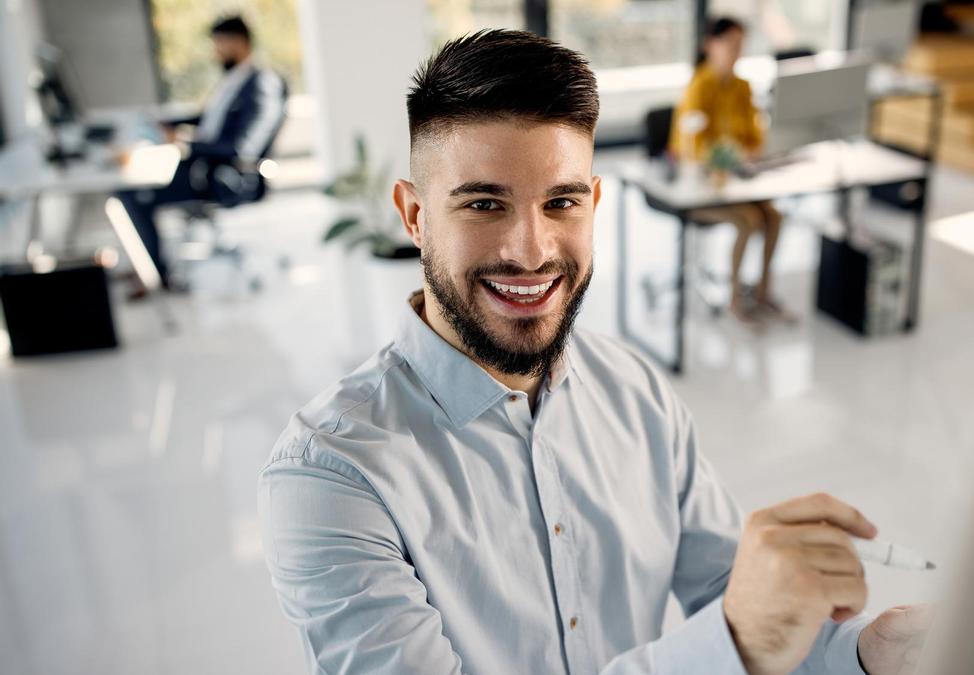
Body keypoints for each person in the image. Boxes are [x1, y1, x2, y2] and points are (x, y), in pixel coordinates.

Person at [258, 30, 928, 675]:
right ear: (414, 216)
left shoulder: (635, 387)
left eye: (562, 202)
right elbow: (739, 636)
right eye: (485, 203)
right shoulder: (331, 476)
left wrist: (865, 653)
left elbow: (736, 596)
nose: (531, 249)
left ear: (594, 204)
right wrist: (734, 643)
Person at [115, 15, 286, 297]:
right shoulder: (235, 79)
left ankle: (155, 273)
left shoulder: (261, 85)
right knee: (133, 182)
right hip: (206, 166)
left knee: (133, 193)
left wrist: (185, 143)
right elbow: (210, 120)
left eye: (219, 44)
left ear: (239, 43)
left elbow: (242, 147)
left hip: (229, 176)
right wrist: (169, 125)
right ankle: (148, 265)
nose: (214, 51)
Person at [669, 17, 795, 326]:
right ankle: (735, 299)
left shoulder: (742, 86)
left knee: (775, 217)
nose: (737, 51)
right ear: (710, 45)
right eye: (730, 44)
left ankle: (763, 292)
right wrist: (731, 154)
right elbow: (693, 150)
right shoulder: (699, 86)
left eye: (741, 45)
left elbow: (755, 138)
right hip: (702, 187)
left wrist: (740, 153)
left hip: (737, 180)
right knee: (750, 220)